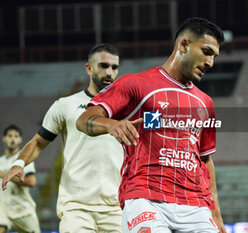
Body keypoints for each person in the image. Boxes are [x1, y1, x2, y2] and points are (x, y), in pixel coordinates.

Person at [76, 17, 227, 233]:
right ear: (183, 45)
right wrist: (111, 125)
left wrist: (216, 214)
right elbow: (84, 120)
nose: (210, 63)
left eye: (214, 56)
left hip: (195, 206)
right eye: (206, 52)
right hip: (145, 197)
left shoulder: (205, 103)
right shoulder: (136, 84)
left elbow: (205, 160)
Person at [2, 43, 124, 233]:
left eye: (114, 67)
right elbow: (38, 142)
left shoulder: (128, 106)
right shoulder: (65, 105)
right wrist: (18, 164)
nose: (110, 72)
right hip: (76, 208)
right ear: (89, 68)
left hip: (117, 208)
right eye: (103, 66)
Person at [0, 124, 40, 233]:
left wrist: (4, 175)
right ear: (4, 138)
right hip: (3, 209)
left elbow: (31, 182)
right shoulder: (0, 161)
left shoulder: (22, 160)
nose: (13, 139)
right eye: (10, 136)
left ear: (20, 140)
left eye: (16, 136)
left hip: (22, 210)